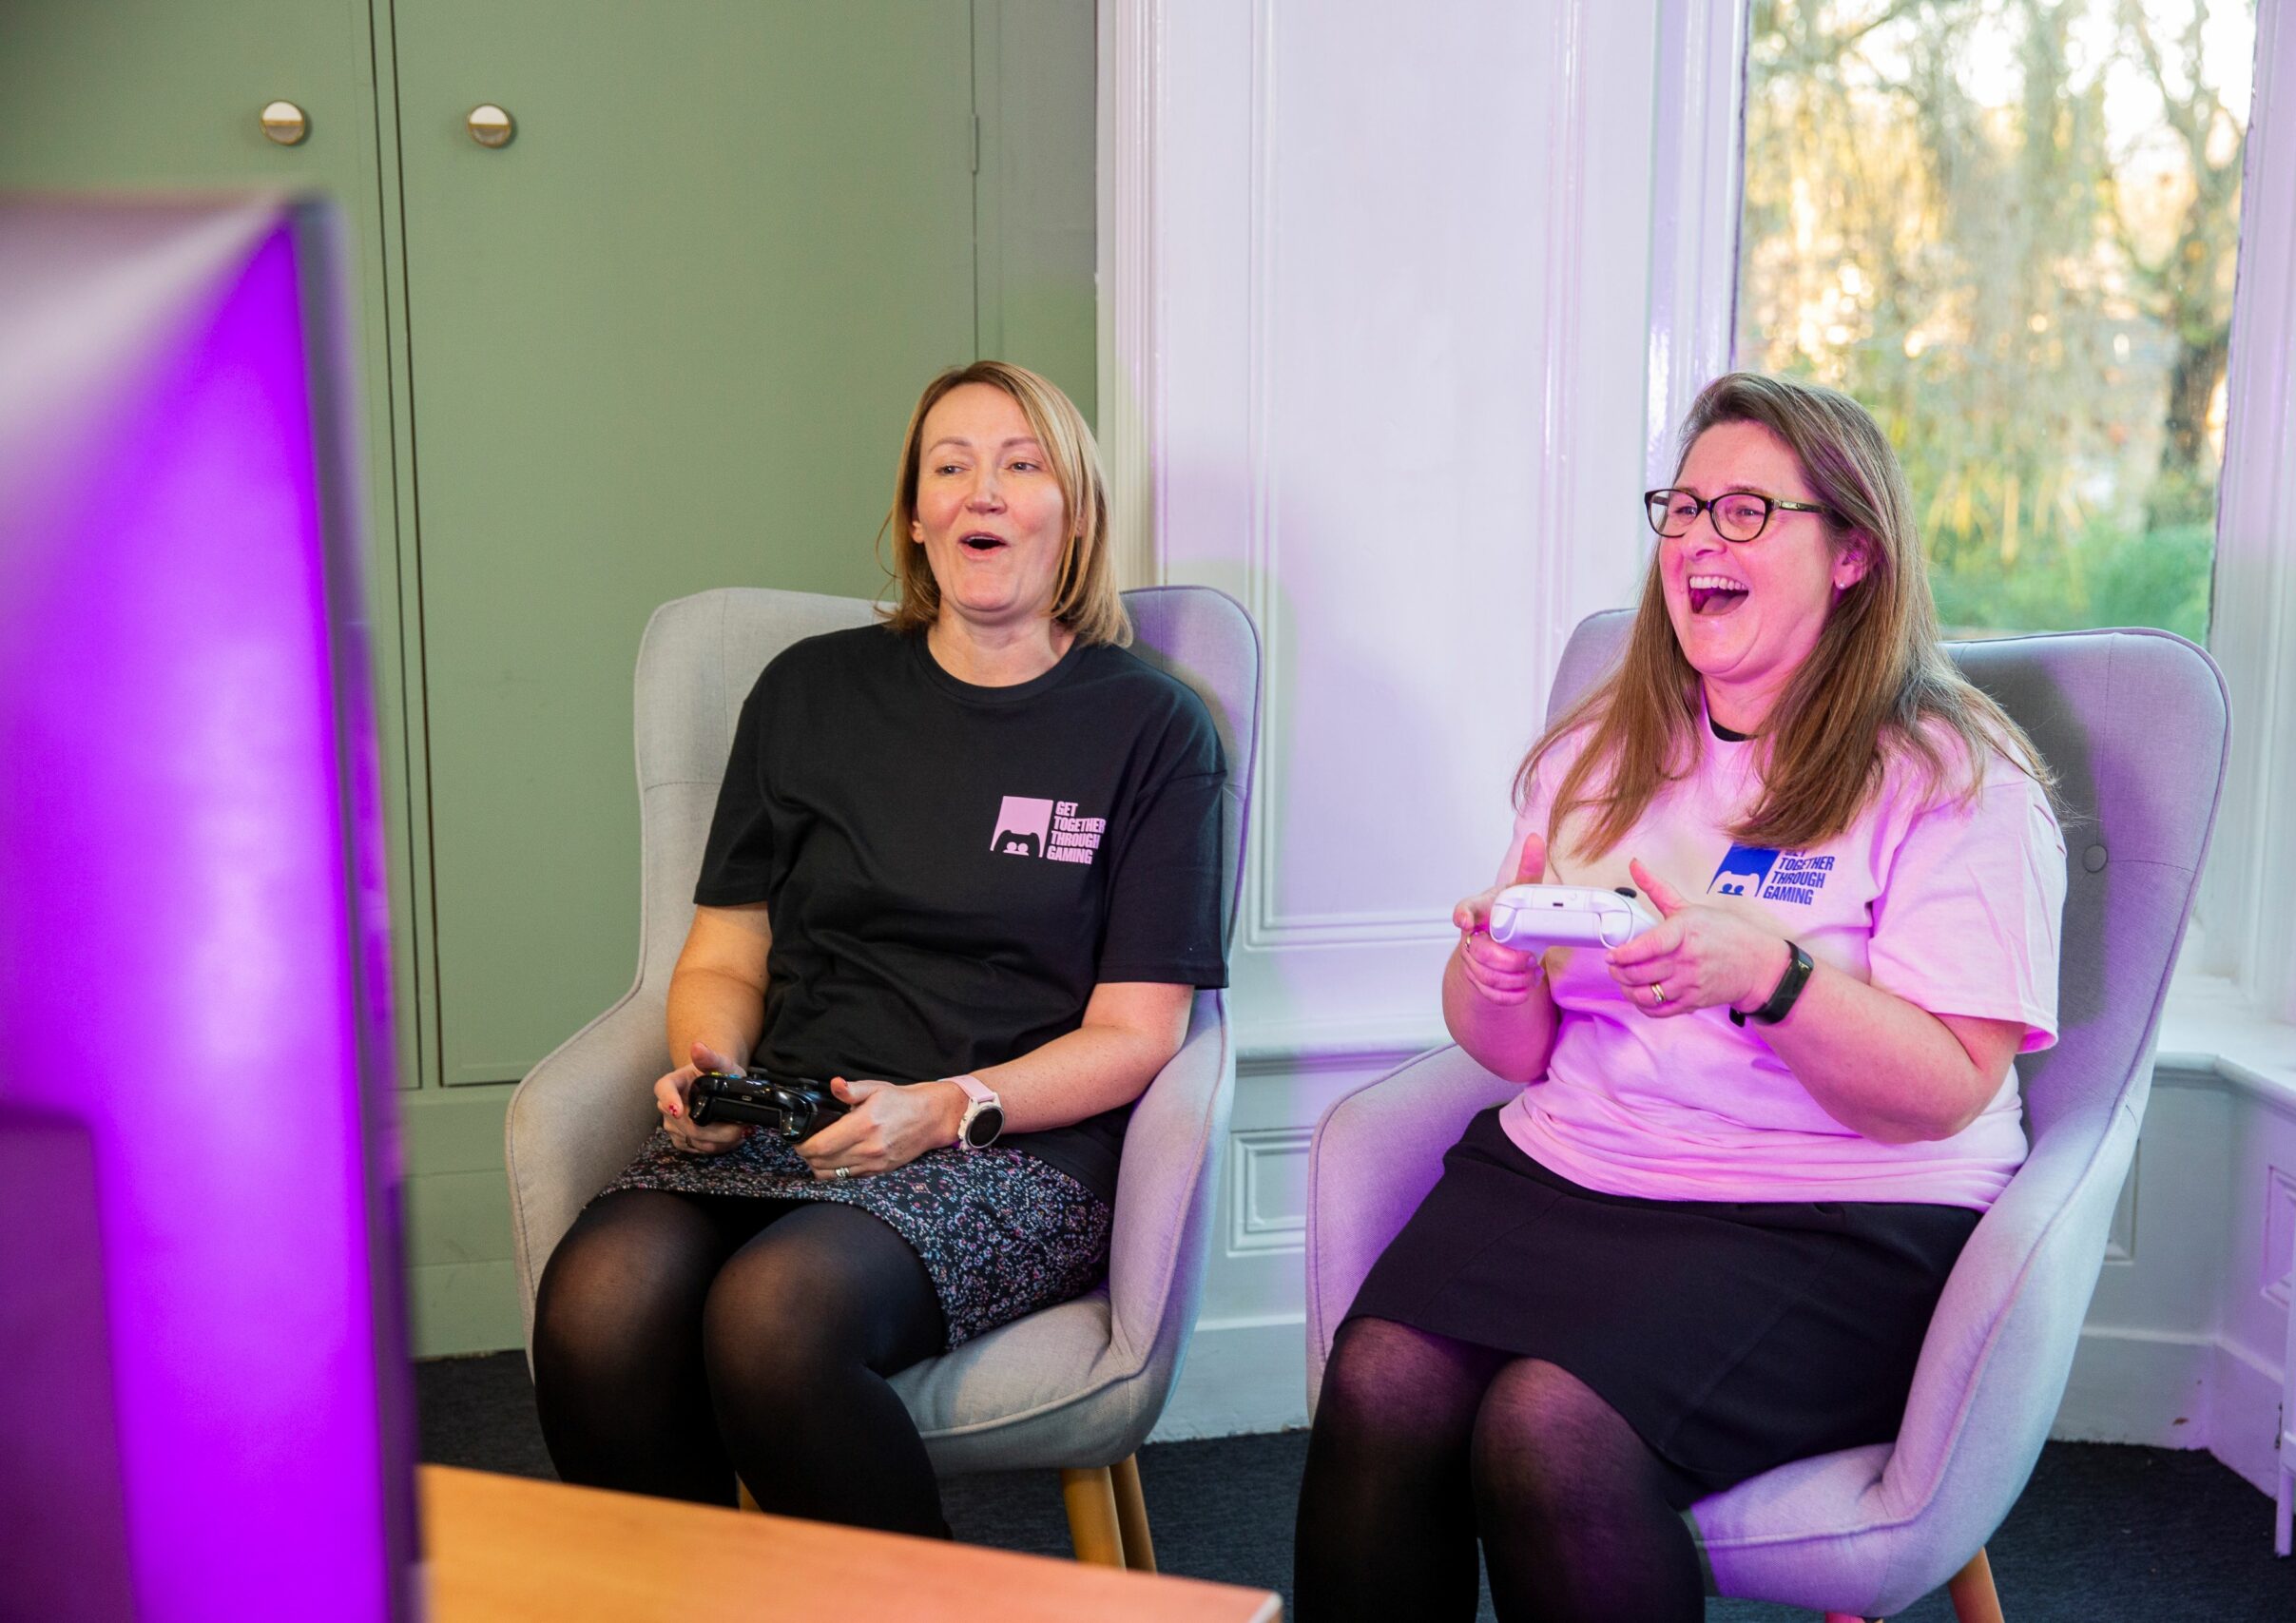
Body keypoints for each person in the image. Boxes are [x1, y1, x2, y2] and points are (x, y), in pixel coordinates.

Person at [1293, 373, 2067, 1622]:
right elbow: (1512, 1042)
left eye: (1751, 510)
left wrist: (1768, 972)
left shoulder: (1952, 776)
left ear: (1856, 551)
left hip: (1832, 1210)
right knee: (1381, 1381)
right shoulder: (1599, 753)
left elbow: (1947, 1086)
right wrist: (1493, 971)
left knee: (1548, 1424)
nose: (1703, 537)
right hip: (1581, 1170)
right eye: (1686, 507)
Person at [530, 361, 1229, 1537]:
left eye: (1020, 464)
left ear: (1075, 509)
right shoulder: (807, 693)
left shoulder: (1150, 727)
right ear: (915, 516)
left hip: (1013, 1146)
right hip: (795, 1121)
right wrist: (712, 1070)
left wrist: (948, 1105)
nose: (981, 493)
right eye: (947, 468)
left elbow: (1137, 1031)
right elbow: (725, 955)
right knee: (597, 1306)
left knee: (775, 1316)